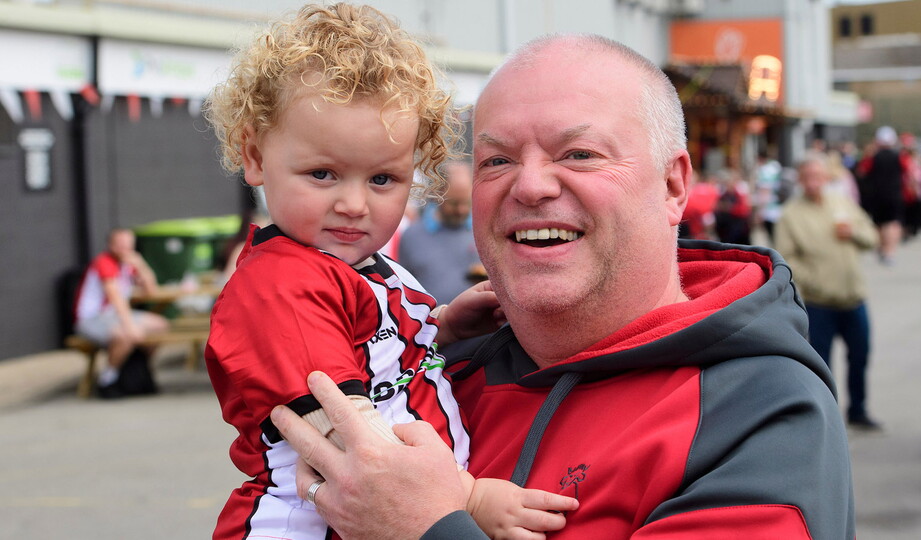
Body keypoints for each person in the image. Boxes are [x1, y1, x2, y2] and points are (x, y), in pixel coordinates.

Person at [272, 34, 856, 538]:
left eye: (579, 154)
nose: (530, 186)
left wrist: (427, 529)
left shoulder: (756, 408)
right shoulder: (435, 377)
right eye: (496, 161)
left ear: (673, 185)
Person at [202, 4, 575, 540]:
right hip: (309, 524)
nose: (354, 204)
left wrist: (443, 327)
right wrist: (468, 498)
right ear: (255, 157)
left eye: (382, 179)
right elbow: (345, 435)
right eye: (323, 173)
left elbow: (375, 358)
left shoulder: (359, 266)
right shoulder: (282, 285)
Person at [775, 152, 882, 431]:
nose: (813, 183)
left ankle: (858, 409)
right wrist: (816, 281)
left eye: (818, 177)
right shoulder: (791, 215)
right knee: (821, 365)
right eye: (807, 178)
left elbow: (871, 237)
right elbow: (787, 260)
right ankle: (827, 417)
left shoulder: (841, 203)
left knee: (860, 356)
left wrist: (854, 234)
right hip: (819, 303)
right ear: (800, 180)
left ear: (826, 178)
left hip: (853, 297)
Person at [73, 228, 169, 398]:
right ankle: (108, 378)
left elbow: (151, 291)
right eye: (121, 245)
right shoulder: (104, 262)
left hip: (115, 316)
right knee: (126, 335)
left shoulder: (128, 264)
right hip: (93, 318)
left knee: (160, 325)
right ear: (111, 245)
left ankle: (139, 371)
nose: (125, 249)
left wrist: (141, 265)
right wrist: (130, 326)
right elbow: (116, 298)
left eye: (128, 245)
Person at [398, 160, 482, 305]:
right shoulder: (411, 237)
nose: (461, 209)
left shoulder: (483, 231)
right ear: (438, 194)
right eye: (454, 203)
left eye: (467, 203)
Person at [857, 125, 904, 265]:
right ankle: (889, 251)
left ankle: (882, 248)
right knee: (892, 223)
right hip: (894, 194)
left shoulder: (873, 157)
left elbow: (861, 172)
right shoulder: (899, 157)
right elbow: (912, 173)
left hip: (877, 195)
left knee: (879, 223)